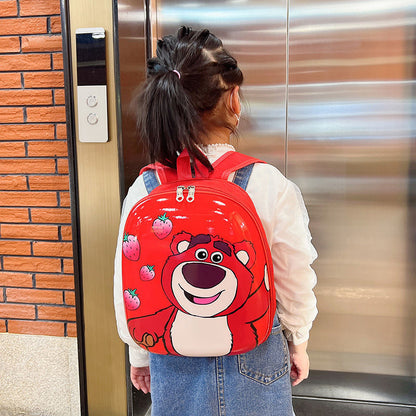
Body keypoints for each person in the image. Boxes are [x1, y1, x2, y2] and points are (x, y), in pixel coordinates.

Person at [114, 26, 317, 416]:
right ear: (234, 99)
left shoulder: (145, 187)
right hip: (255, 347)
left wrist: (138, 352)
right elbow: (294, 276)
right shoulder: (268, 183)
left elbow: (128, 282)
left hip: (171, 352)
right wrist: (299, 340)